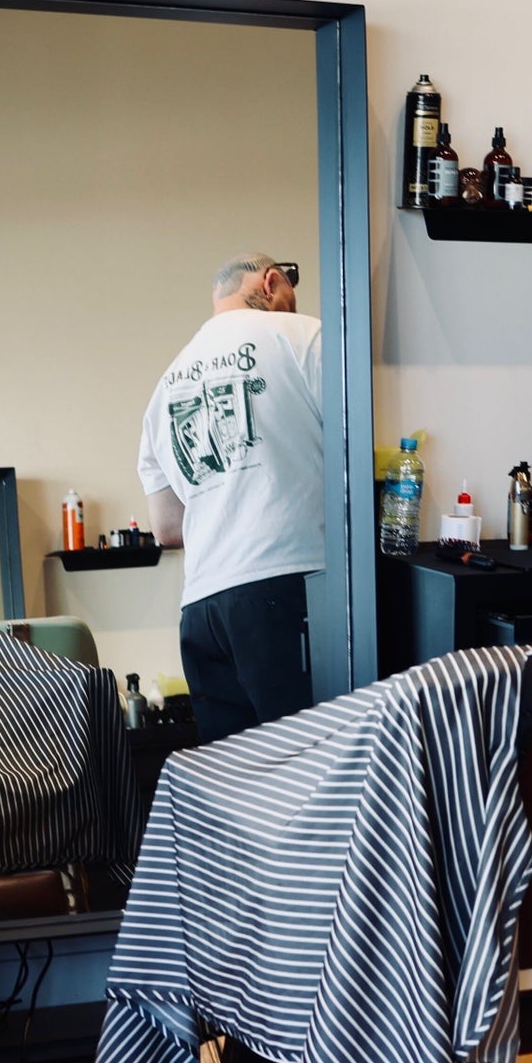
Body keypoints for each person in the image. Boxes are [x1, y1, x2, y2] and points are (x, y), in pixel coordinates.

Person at [137, 253, 327, 742]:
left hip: (202, 609)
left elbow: (167, 528)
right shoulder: (304, 336)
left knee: (237, 774)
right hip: (284, 584)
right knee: (309, 762)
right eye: (289, 289)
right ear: (270, 282)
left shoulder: (166, 384)